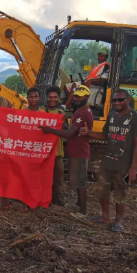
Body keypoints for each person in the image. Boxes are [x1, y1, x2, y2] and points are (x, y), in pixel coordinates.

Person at [86, 89, 137, 232]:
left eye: (120, 100)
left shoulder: (136, 118)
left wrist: (133, 167)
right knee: (102, 190)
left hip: (123, 164)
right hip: (107, 162)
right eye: (114, 100)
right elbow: (104, 135)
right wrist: (88, 133)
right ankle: (105, 217)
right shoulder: (111, 115)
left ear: (128, 100)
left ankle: (118, 221)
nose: (117, 102)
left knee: (120, 193)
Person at [40, 85, 94, 218]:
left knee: (80, 181)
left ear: (87, 96)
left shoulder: (81, 113)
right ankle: (78, 203)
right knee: (76, 179)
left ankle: (82, 211)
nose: (77, 99)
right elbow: (70, 129)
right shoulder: (82, 110)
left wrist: (49, 129)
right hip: (75, 149)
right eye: (75, 96)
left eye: (80, 97)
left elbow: (69, 133)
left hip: (79, 151)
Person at [40, 86, 65, 206]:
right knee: (44, 177)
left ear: (59, 98)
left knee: (58, 177)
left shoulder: (61, 113)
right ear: (47, 98)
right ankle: (45, 198)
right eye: (50, 97)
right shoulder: (41, 111)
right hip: (44, 152)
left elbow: (65, 129)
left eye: (55, 97)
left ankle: (57, 197)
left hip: (58, 152)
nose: (52, 99)